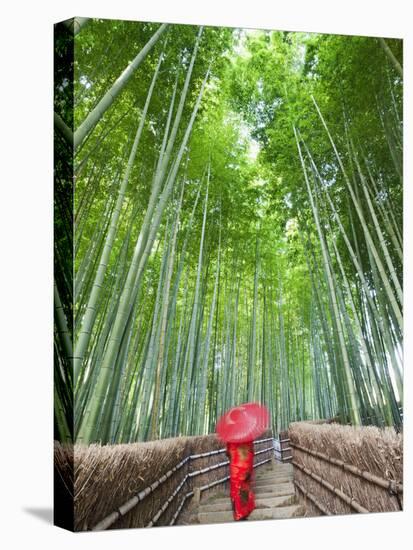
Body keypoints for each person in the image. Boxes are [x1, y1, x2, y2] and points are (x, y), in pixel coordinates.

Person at [226, 440, 255, 521]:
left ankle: (239, 514)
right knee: (245, 488)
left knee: (236, 489)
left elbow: (228, 453)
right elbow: (252, 451)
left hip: (235, 466)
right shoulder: (248, 436)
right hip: (246, 465)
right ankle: (245, 512)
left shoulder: (230, 436)